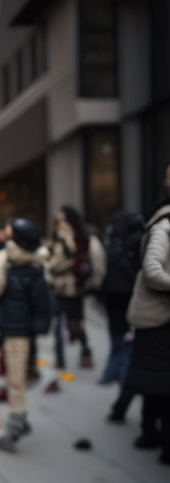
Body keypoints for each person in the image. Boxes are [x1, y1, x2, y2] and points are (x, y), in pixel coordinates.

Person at [0, 218, 51, 451]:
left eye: (10, 235)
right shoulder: (28, 266)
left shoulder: (16, 265)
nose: (6, 238)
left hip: (17, 333)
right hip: (15, 330)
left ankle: (13, 427)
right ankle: (20, 420)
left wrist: (2, 259)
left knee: (15, 383)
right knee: (16, 378)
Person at [125, 192, 170, 463]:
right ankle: (157, 438)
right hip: (159, 319)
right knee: (160, 385)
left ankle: (150, 434)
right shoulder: (165, 227)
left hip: (157, 319)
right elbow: (152, 270)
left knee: (155, 382)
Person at [46, 206, 104, 373]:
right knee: (56, 325)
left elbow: (93, 261)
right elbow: (51, 258)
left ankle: (85, 349)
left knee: (75, 323)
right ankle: (60, 360)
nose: (60, 222)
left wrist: (90, 282)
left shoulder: (81, 238)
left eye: (62, 219)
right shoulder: (55, 236)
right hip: (57, 286)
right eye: (58, 220)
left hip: (73, 287)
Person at [99, 211, 144, 421]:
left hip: (117, 299)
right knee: (126, 346)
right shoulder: (134, 243)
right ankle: (115, 378)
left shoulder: (114, 243)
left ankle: (112, 377)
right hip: (128, 299)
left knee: (120, 343)